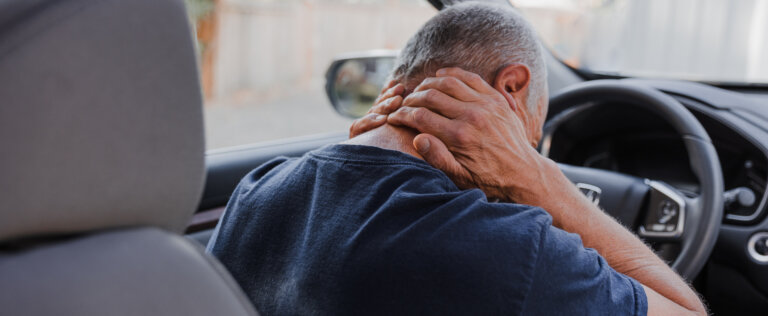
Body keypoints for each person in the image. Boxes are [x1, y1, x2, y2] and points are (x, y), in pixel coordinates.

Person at [208, 2, 707, 315]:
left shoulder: (259, 191)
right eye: (532, 133)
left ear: (392, 89)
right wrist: (540, 182)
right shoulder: (508, 249)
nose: (526, 150)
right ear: (512, 88)